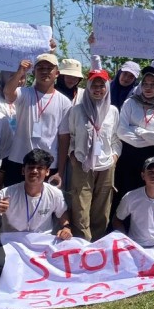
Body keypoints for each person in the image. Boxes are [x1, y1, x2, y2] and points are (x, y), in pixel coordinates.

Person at [60, 62, 120, 240]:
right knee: (81, 206)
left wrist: (115, 157)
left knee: (102, 208)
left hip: (106, 165)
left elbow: (116, 138)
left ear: (107, 87)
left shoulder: (113, 111)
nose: (98, 89)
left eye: (102, 85)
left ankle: (98, 242)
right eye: (94, 85)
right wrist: (72, 156)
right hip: (82, 164)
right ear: (88, 87)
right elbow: (71, 136)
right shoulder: (77, 110)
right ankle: (82, 243)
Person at [1, 54, 74, 188]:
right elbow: (7, 92)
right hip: (19, 160)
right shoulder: (24, 93)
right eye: (40, 68)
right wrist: (20, 72)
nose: (44, 71)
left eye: (49, 68)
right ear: (33, 72)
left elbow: (64, 138)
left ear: (57, 73)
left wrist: (60, 171)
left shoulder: (64, 102)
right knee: (13, 203)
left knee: (44, 205)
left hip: (47, 164)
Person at [114, 64, 154, 213]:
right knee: (125, 192)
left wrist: (137, 129)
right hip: (128, 156)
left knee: (147, 194)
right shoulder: (131, 102)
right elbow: (121, 131)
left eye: (153, 84)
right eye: (145, 83)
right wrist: (151, 136)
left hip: (152, 158)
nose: (148, 88)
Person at [0, 149, 71, 242]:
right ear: (23, 170)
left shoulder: (55, 193)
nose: (34, 171)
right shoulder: (7, 193)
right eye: (31, 167)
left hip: (42, 241)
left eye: (40, 168)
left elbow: (62, 213)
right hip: (11, 242)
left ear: (47, 172)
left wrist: (66, 227)